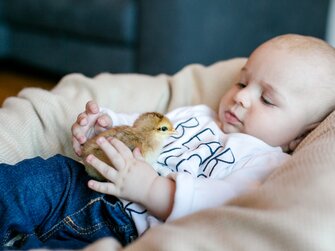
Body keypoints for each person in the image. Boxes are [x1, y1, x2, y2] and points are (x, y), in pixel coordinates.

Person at [0, 34, 334, 250]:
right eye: (242, 82)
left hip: (125, 227)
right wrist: (105, 123)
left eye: (268, 100)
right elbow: (144, 125)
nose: (242, 98)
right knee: (30, 181)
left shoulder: (265, 162)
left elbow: (216, 206)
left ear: (301, 136)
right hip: (87, 183)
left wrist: (149, 190)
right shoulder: (200, 114)